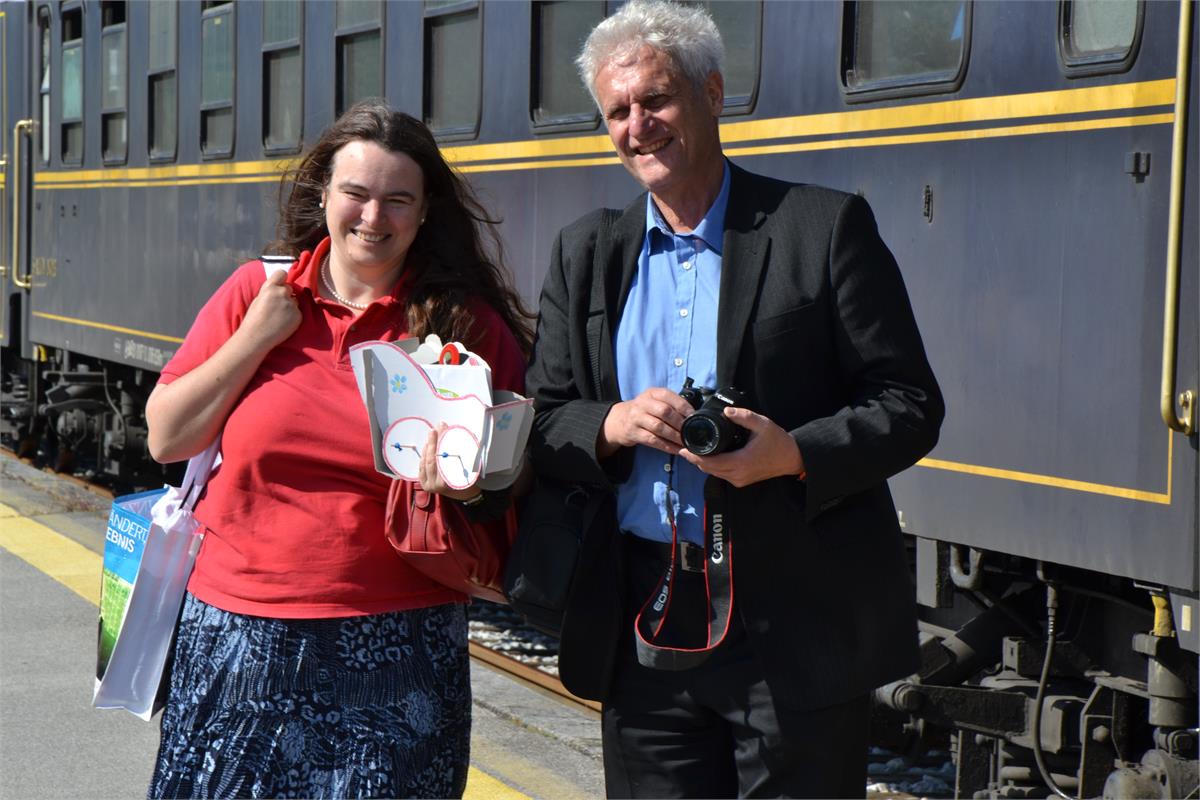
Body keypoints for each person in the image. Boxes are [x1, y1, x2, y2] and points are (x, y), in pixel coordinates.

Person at [524, 2, 945, 797]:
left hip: (792, 622)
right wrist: (609, 425)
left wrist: (793, 454)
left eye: (657, 100)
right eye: (618, 111)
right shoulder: (588, 252)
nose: (637, 126)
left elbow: (909, 402)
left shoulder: (820, 228)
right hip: (644, 621)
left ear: (712, 94)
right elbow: (544, 418)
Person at [144, 100, 533, 799]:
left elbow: (514, 478)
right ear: (323, 192)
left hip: (396, 642)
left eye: (397, 201)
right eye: (355, 194)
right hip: (238, 634)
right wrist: (256, 337)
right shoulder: (255, 293)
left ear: (425, 213)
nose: (372, 218)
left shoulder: (460, 327)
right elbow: (168, 436)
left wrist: (470, 481)